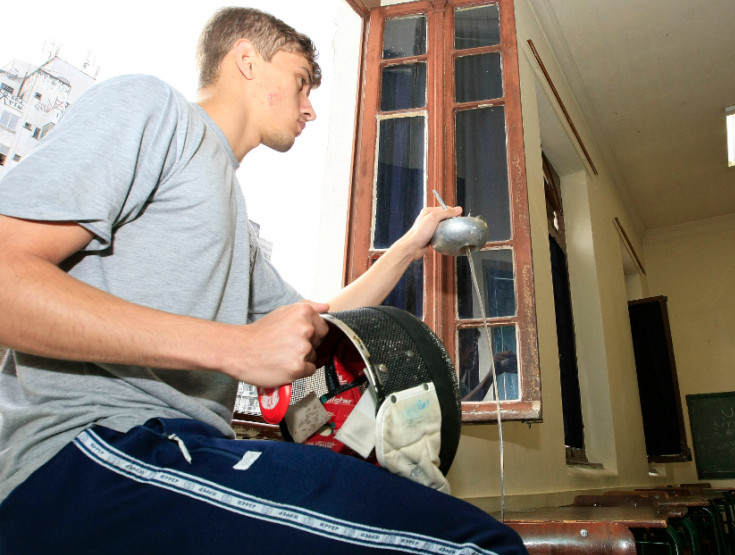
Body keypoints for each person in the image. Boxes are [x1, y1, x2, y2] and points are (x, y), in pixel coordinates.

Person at [0, 7, 525, 553]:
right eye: (300, 81)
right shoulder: (152, 109)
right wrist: (236, 346)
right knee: (478, 546)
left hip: (185, 452)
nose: (311, 108)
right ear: (246, 60)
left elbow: (320, 323)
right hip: (86, 454)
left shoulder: (235, 222)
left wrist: (407, 247)